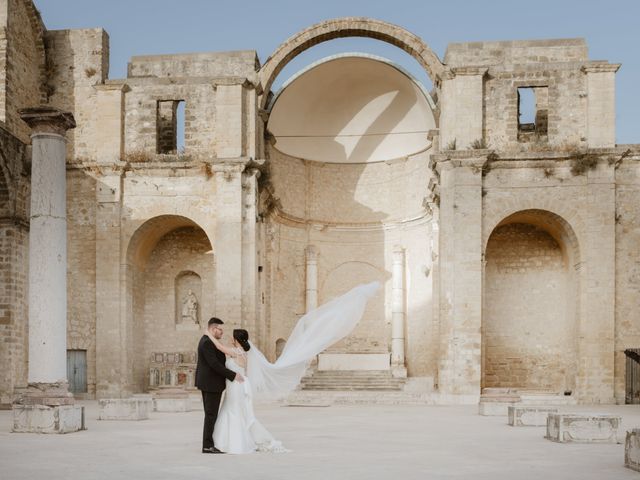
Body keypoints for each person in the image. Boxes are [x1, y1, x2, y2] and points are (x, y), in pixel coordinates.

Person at [204, 281, 381, 454]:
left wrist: (207, 334)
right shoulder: (243, 353)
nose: (226, 336)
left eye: (230, 336)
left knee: (233, 413)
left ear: (236, 340)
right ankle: (229, 441)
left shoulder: (236, 352)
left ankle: (230, 442)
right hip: (239, 386)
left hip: (237, 386)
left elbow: (219, 349)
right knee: (235, 413)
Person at [195, 317, 244, 454]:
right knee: (211, 415)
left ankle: (209, 443)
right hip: (210, 384)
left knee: (211, 414)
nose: (222, 332)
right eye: (220, 329)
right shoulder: (206, 343)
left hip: (211, 383)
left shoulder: (209, 341)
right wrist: (233, 375)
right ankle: (207, 446)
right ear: (213, 329)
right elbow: (214, 365)